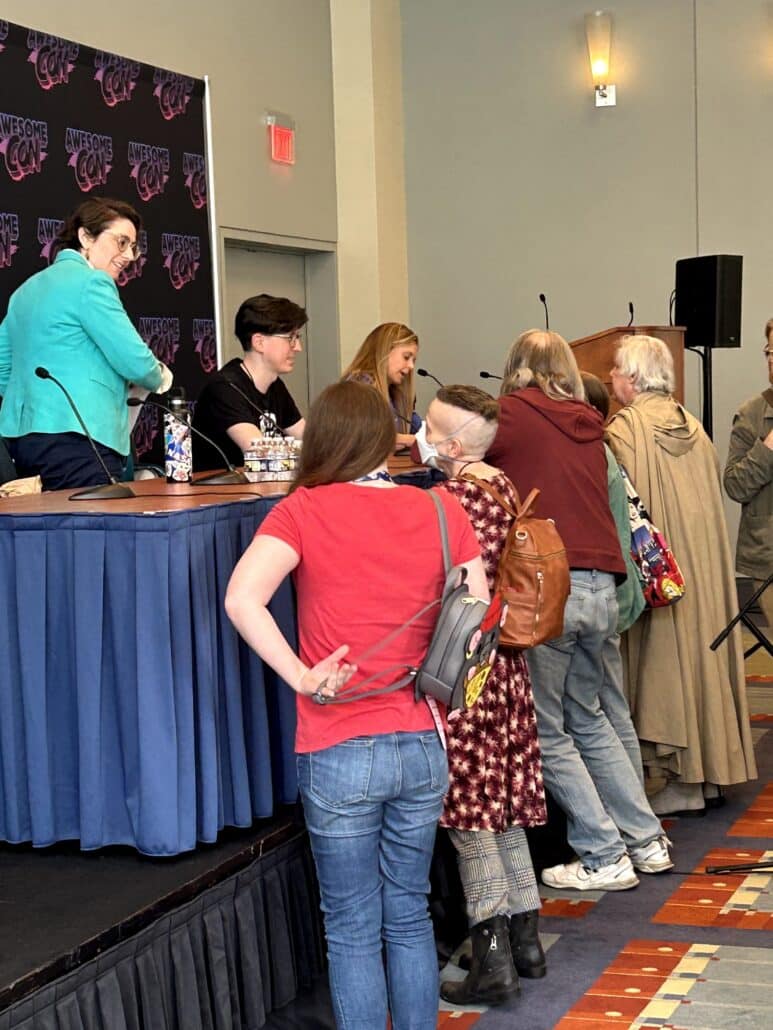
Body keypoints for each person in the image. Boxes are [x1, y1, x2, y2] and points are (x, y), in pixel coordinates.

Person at [224, 380, 487, 1030]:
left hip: (337, 743)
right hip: (424, 742)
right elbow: (477, 619)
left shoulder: (303, 510)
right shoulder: (439, 510)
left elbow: (241, 598)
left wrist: (301, 675)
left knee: (349, 925)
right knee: (408, 911)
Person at [486, 330, 671, 892]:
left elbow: (453, 448)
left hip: (550, 588)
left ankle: (601, 851)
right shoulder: (592, 427)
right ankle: (646, 840)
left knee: (547, 729)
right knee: (591, 718)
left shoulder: (511, 415)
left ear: (515, 367)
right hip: (602, 587)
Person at [421, 385, 546, 1008]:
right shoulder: (502, 484)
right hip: (507, 662)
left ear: (448, 446)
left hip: (466, 666)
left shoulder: (450, 499)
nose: (418, 430)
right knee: (503, 810)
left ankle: (491, 959)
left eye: (427, 425)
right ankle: (527, 939)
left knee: (469, 816)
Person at [606, 335, 757, 815]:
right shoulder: (693, 426)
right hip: (704, 578)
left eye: (614, 370)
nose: (609, 378)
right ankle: (707, 777)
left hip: (663, 582)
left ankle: (679, 781)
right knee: (699, 660)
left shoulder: (626, 430)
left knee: (664, 663)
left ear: (631, 379)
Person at [0, 197, 170, 490]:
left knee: (44, 532)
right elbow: (134, 359)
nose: (129, 255)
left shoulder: (23, 292)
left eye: (133, 246)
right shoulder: (93, 283)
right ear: (85, 237)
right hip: (82, 440)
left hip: (22, 443)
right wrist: (161, 377)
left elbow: (4, 368)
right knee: (89, 531)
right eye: (121, 242)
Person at [192, 294, 306, 471]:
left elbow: (309, 441)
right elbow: (260, 453)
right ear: (259, 342)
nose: (298, 347)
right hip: (222, 495)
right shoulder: (224, 388)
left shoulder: (275, 385)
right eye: (290, 338)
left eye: (298, 337)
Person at [723, 320, 773, 630]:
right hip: (768, 558)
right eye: (769, 350)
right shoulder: (752, 414)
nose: (771, 359)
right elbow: (735, 485)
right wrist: (767, 448)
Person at [342, 322, 421, 448]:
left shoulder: (395, 392)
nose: (411, 366)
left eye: (414, 360)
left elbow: (418, 428)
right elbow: (368, 438)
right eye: (406, 357)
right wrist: (411, 440)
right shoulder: (359, 387)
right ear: (384, 351)